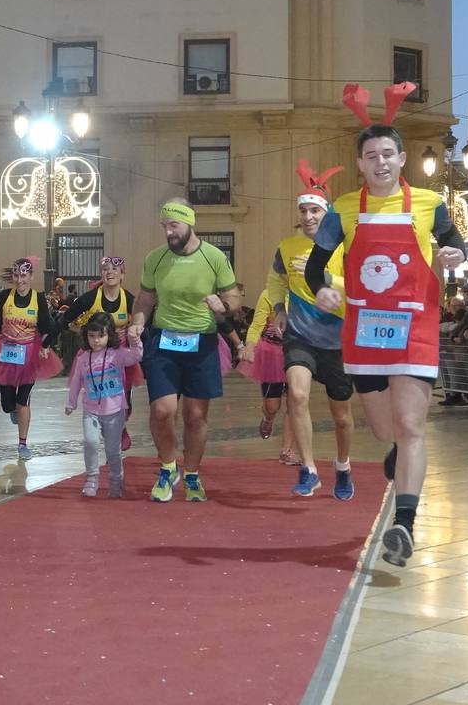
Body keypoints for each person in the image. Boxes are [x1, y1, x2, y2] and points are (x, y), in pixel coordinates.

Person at [305, 82, 467, 569]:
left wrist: (457, 254)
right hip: (365, 331)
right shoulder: (343, 210)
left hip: (416, 326)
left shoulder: (429, 203)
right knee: (384, 430)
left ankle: (405, 525)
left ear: (402, 159)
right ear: (359, 163)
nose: (380, 162)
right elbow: (316, 267)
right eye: (371, 154)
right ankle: (399, 458)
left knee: (412, 425)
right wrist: (323, 289)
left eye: (388, 154)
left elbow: (457, 244)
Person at [127, 200, 240, 503]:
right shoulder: (155, 258)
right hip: (163, 341)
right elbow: (144, 300)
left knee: (194, 416)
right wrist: (137, 323)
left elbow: (234, 297)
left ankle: (191, 474)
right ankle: (167, 469)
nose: (168, 232)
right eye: (165, 226)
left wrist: (223, 305)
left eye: (174, 225)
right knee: (162, 411)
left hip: (201, 343)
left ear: (190, 222)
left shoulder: (214, 257)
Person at [268, 160, 355, 499]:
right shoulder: (286, 248)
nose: (308, 217)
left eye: (314, 210)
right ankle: (309, 469)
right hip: (299, 335)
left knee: (343, 416)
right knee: (298, 395)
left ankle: (343, 466)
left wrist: (327, 279)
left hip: (337, 338)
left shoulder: (344, 247)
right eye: (303, 210)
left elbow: (359, 286)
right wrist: (278, 308)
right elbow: (275, 280)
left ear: (326, 213)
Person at [0, 257, 63, 459]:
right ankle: (12, 409)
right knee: (8, 403)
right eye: (16, 275)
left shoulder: (38, 298)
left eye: (24, 275)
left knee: (23, 399)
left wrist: (45, 345)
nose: (20, 280)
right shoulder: (4, 297)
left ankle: (22, 443)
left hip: (30, 355)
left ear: (31, 277)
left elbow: (48, 326)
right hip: (7, 354)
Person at [60, 256, 140, 448]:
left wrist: (135, 333)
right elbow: (66, 319)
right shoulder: (90, 298)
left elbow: (143, 320)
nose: (109, 272)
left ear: (122, 274)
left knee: (123, 396)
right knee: (100, 396)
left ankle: (120, 425)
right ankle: (111, 436)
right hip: (95, 356)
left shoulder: (129, 299)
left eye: (114, 269)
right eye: (105, 269)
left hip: (121, 355)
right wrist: (82, 333)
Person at [65, 313, 143, 497]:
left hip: (115, 411)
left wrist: (135, 341)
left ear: (110, 336)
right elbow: (76, 380)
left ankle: (116, 480)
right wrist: (71, 402)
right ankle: (92, 478)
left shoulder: (118, 355)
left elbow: (136, 356)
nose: (96, 340)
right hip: (91, 411)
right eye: (91, 336)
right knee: (91, 443)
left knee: (112, 450)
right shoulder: (84, 357)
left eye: (101, 336)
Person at [239, 286, 299, 466]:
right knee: (273, 406)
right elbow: (257, 325)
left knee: (295, 402)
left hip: (297, 352)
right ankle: (268, 418)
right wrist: (249, 346)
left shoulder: (306, 293)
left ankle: (286, 450)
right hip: (271, 353)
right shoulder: (268, 294)